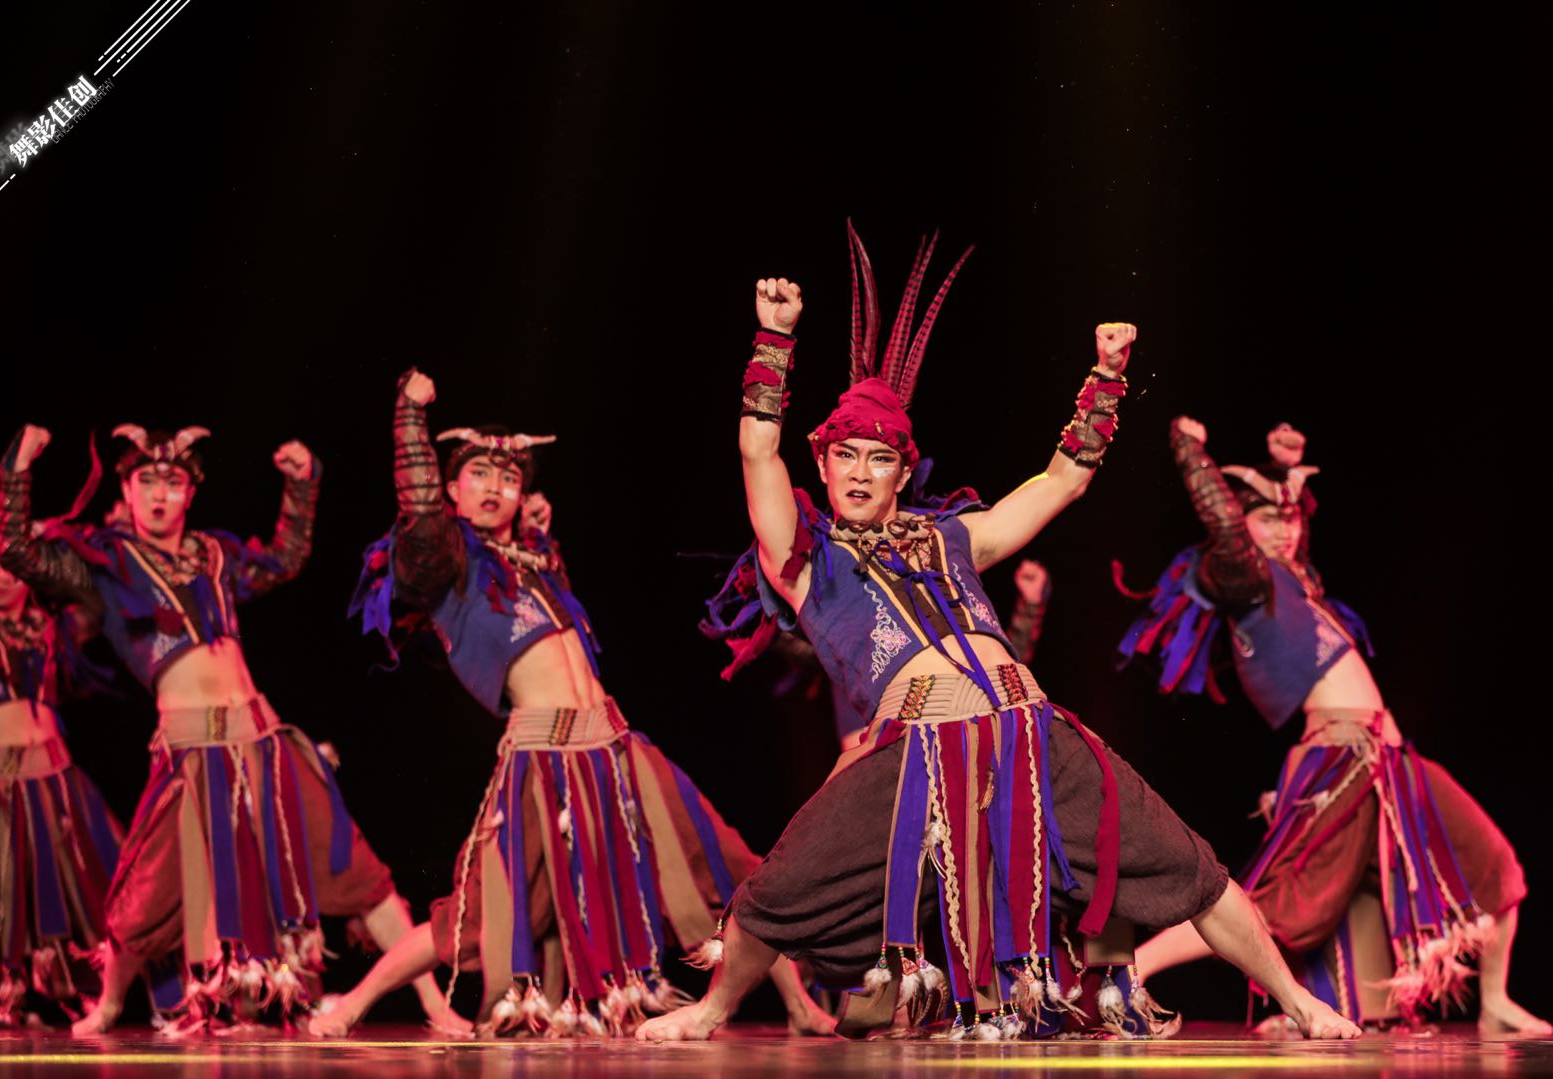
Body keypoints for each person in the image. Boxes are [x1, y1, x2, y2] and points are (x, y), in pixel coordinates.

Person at [648, 223, 1359, 1042]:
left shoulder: (955, 536)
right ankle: (712, 1008)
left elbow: (1059, 482)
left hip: (1031, 731)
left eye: (877, 458)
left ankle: (1299, 1002)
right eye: (844, 455)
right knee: (777, 889)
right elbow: (755, 452)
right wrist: (775, 337)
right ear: (823, 462)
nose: (858, 471)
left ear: (901, 471)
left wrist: (1106, 375)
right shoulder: (804, 562)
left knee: (1190, 866)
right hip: (914, 752)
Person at [310, 370, 835, 1038]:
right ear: (451, 490)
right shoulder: (444, 558)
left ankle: (799, 1004)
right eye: (477, 473)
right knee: (477, 913)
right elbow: (416, 506)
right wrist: (409, 417)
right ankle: (352, 1005)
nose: (494, 485)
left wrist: (539, 540)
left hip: (617, 748)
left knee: (730, 864)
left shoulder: (529, 560)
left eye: (508, 475)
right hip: (544, 760)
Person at [0, 423, 448, 1034]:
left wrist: (302, 485)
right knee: (146, 886)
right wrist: (17, 470)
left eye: (172, 482)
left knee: (357, 870)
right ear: (125, 490)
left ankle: (433, 1004)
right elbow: (18, 551)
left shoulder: (214, 555)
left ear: (191, 492)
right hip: (189, 749)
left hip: (263, 740)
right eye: (145, 481)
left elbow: (285, 558)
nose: (159, 494)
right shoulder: (104, 562)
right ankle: (109, 1004)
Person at [1119, 419, 1547, 1035]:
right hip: (1341, 758)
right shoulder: (1248, 580)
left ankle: (1495, 1001)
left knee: (1493, 863)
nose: (1284, 529)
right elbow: (1225, 525)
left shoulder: (1300, 586)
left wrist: (1282, 467)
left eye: (1291, 518)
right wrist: (1191, 452)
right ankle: (1135, 968)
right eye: (1267, 519)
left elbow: (1288, 528)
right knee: (1284, 903)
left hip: (1392, 761)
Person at [0, 513, 122, 1028]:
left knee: (96, 887)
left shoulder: (52, 626)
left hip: (57, 779)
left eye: (15, 566)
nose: (4, 576)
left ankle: (101, 995)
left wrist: (42, 543)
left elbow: (95, 601)